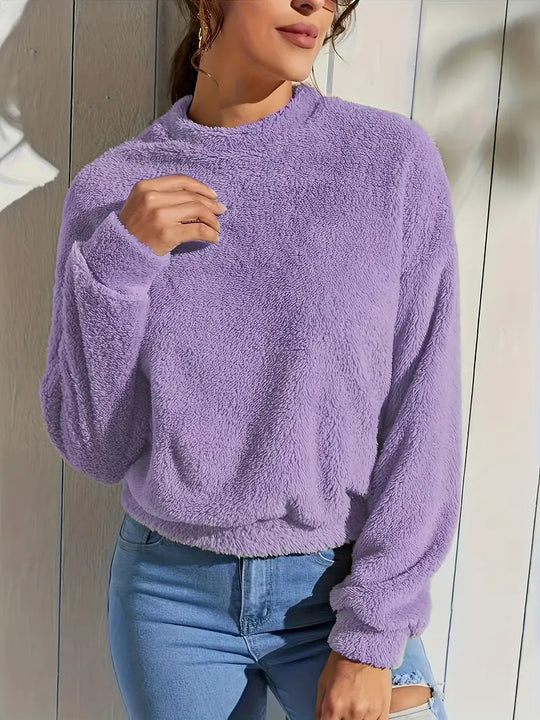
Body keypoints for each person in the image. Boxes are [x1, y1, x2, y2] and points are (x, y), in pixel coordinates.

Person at [39, 1, 462, 719]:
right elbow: (95, 448)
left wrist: (371, 635)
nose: (316, 2)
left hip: (337, 589)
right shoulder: (115, 191)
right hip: (168, 597)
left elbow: (427, 410)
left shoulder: (388, 162)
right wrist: (121, 262)